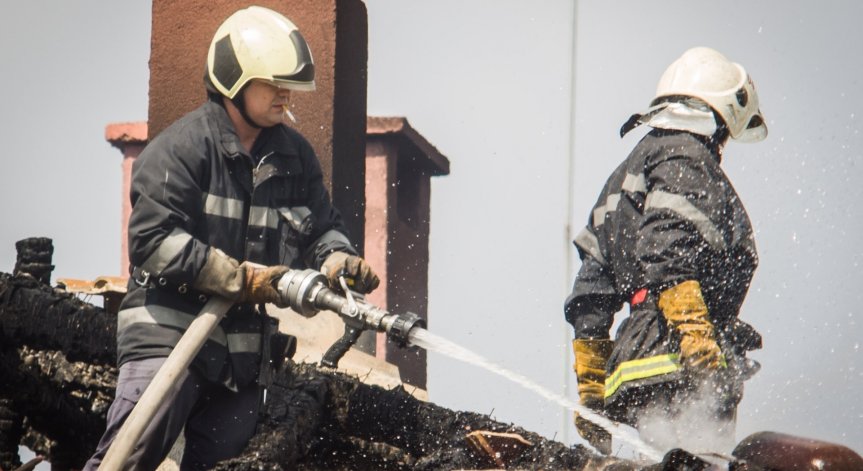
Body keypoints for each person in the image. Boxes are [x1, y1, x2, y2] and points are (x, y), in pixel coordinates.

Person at [83, 6, 379, 470]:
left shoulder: (294, 156)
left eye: (289, 85)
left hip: (240, 353)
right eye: (273, 83)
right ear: (234, 81)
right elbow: (151, 239)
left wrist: (339, 258)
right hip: (168, 334)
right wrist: (237, 279)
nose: (286, 94)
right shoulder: (183, 148)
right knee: (129, 455)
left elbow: (320, 226)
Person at [565, 47, 766, 454]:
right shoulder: (685, 156)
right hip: (680, 357)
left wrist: (591, 386)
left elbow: (591, 289)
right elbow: (668, 247)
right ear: (721, 117)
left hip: (633, 368)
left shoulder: (625, 174)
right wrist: (694, 334)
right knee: (700, 460)